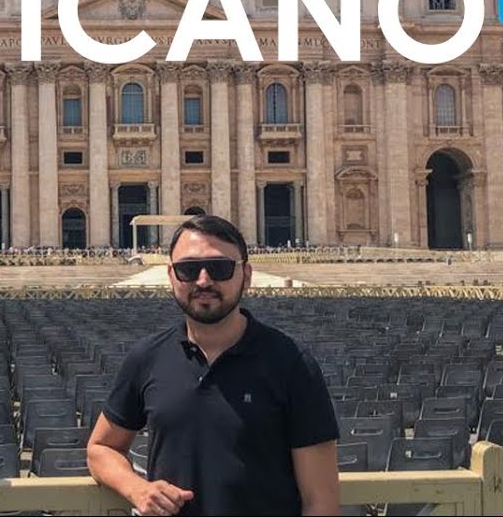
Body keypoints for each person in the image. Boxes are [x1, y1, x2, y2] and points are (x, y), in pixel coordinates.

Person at [87, 214, 340, 516]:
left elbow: (320, 501)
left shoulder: (293, 363)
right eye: (188, 269)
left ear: (246, 274)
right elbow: (100, 448)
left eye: (219, 268)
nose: (204, 280)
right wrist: (137, 488)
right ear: (171, 275)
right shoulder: (146, 357)